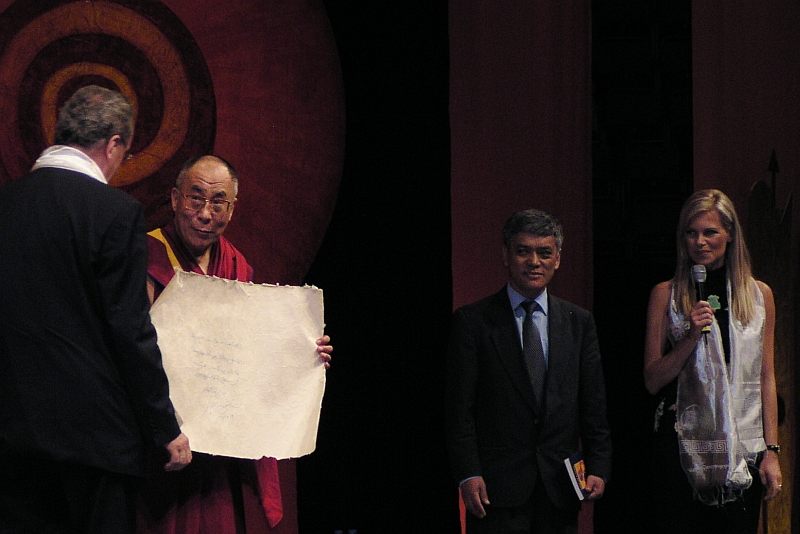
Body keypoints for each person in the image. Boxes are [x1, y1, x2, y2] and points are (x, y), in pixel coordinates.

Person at [0, 85, 191, 534]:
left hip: (9, 436)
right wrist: (164, 427)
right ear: (114, 144)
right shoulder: (114, 213)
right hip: (92, 443)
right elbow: (129, 331)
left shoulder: (5, 206)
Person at [137, 154, 333, 533]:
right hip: (163, 443)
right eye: (196, 198)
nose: (206, 214)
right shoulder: (145, 258)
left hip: (220, 453)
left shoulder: (237, 267)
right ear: (175, 199)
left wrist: (303, 356)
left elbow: (249, 353)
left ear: (233, 207)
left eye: (218, 201)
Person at [446, 208, 612, 533]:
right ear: (506, 255)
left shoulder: (579, 323)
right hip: (496, 489)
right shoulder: (473, 322)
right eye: (523, 251)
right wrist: (468, 472)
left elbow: (594, 404)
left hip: (560, 487)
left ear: (557, 259)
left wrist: (599, 466)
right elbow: (458, 410)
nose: (534, 261)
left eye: (544, 252)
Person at [644, 189, 782, 534]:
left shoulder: (759, 296)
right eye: (691, 233)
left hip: (742, 449)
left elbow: (766, 377)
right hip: (681, 450)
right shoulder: (667, 294)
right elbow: (652, 380)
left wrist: (772, 451)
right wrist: (689, 335)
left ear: (730, 235)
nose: (700, 242)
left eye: (710, 232)